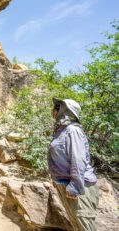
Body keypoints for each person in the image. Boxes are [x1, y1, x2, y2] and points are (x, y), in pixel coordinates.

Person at [48, 98, 99, 231]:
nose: (53, 111)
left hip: (80, 186)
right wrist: (56, 178)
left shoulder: (72, 130)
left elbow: (78, 160)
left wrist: (75, 186)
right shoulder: (61, 131)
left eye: (56, 107)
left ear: (64, 111)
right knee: (78, 225)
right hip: (66, 184)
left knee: (85, 226)